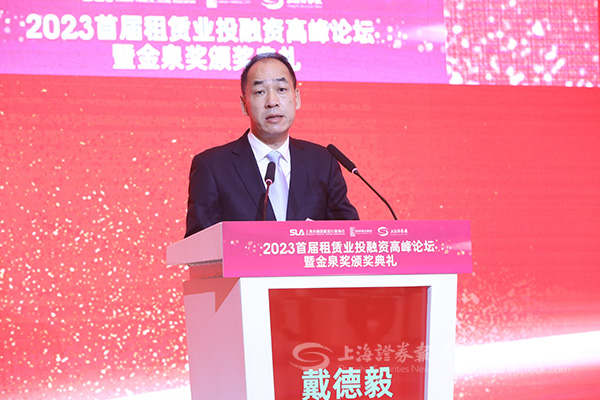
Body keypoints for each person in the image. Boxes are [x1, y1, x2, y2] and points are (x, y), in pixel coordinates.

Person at [185, 53, 358, 237]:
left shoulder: (323, 162)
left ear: (296, 98)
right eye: (260, 92)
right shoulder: (213, 167)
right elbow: (199, 245)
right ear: (244, 105)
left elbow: (350, 235)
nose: (272, 102)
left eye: (281, 89)